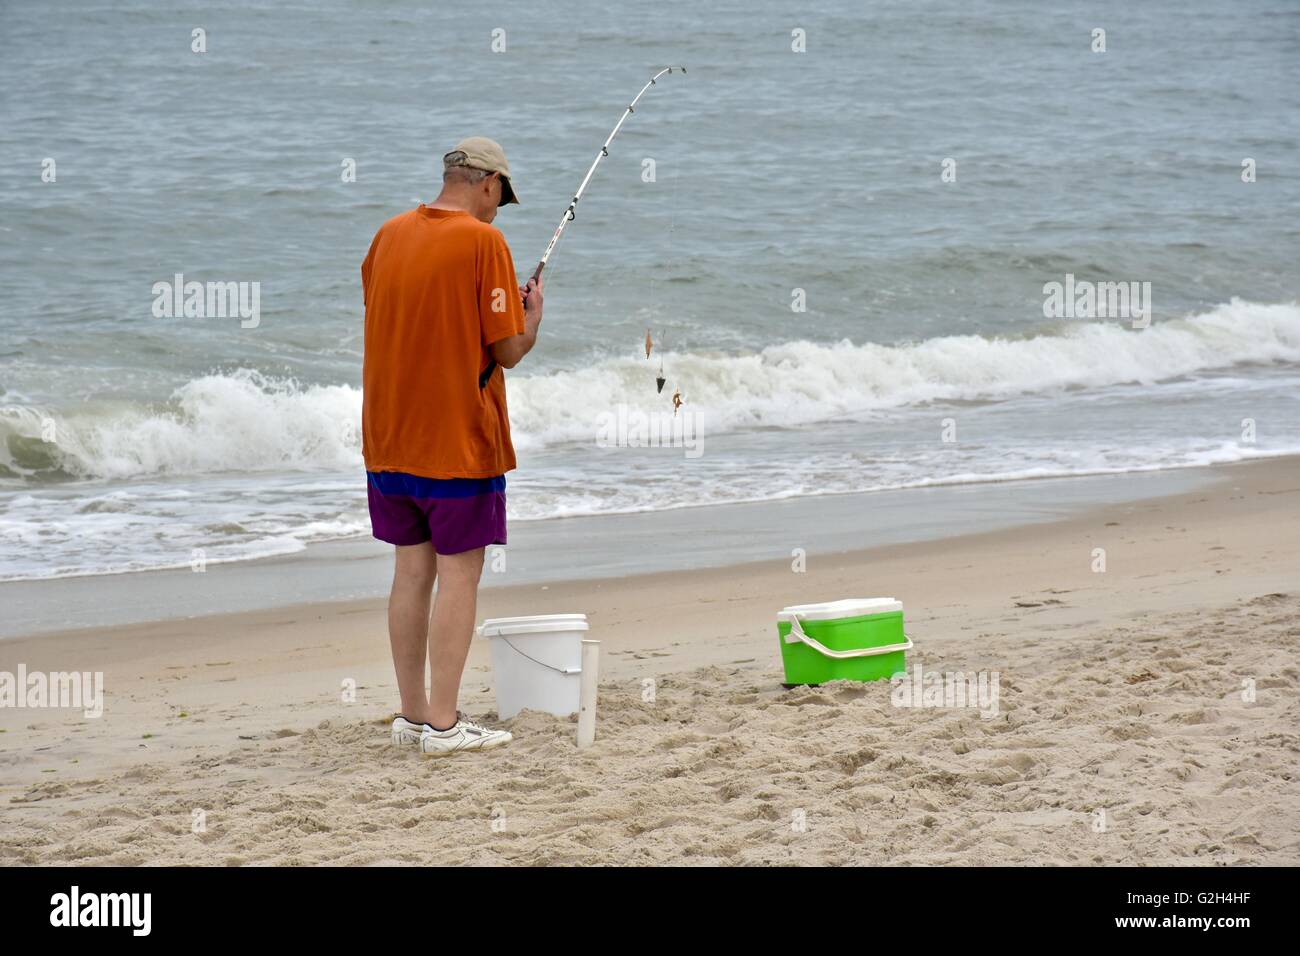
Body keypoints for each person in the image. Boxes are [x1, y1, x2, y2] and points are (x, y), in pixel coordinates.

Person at [360, 137, 543, 756]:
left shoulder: (388, 235)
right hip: (457, 442)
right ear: (488, 183)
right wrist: (531, 317)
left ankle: (412, 716)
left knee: (411, 572)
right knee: (459, 575)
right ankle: (444, 723)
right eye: (501, 197)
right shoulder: (483, 240)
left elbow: (408, 316)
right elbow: (506, 351)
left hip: (387, 440)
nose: (499, 210)